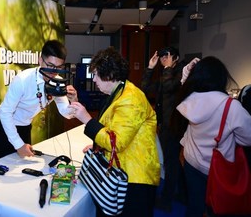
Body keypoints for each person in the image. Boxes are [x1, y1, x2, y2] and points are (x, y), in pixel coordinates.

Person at [69, 47, 160, 217]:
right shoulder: (120, 92)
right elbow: (114, 128)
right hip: (123, 170)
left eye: (96, 74)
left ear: (109, 74)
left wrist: (87, 119)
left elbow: (116, 142)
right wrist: (97, 145)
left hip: (134, 178)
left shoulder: (131, 98)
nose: (94, 79)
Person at [175, 56, 251, 217]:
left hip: (191, 162)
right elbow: (248, 138)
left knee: (194, 206)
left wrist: (188, 72)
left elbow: (184, 84)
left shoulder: (190, 100)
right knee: (217, 208)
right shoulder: (231, 106)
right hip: (217, 167)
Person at [0, 40, 78, 159]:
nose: (54, 72)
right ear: (40, 60)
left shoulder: (58, 82)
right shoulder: (22, 80)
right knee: (5, 165)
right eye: (50, 66)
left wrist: (74, 101)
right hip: (4, 125)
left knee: (23, 164)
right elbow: (5, 113)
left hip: (25, 126)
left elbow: (66, 114)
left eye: (58, 67)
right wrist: (19, 145)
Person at [141, 46, 187, 211]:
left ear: (176, 58)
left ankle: (167, 201)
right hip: (165, 124)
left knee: (171, 161)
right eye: (161, 58)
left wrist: (167, 68)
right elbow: (145, 88)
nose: (163, 60)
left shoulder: (182, 72)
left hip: (174, 125)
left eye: (166, 57)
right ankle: (182, 194)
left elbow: (169, 88)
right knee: (173, 160)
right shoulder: (166, 74)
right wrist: (150, 68)